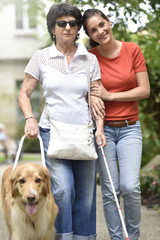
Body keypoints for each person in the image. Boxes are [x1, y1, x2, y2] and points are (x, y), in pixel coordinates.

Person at [18, 3, 106, 240]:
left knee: (86, 196)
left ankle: (85, 237)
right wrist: (30, 118)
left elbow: (95, 99)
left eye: (73, 23)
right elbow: (24, 92)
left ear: (78, 28)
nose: (68, 27)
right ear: (53, 27)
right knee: (63, 190)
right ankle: (64, 237)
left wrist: (99, 129)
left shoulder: (89, 60)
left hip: (84, 134)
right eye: (61, 23)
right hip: (52, 132)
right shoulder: (41, 57)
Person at [82, 9, 150, 240]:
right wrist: (93, 97)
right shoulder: (91, 58)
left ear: (109, 22)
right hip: (104, 132)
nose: (100, 31)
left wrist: (110, 96)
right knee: (111, 191)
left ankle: (133, 236)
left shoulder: (132, 50)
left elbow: (144, 90)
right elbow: (90, 93)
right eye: (93, 30)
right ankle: (116, 238)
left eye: (102, 24)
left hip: (130, 128)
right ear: (90, 35)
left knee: (130, 187)